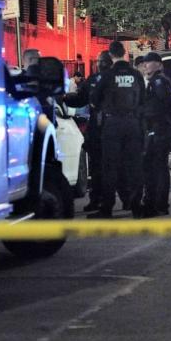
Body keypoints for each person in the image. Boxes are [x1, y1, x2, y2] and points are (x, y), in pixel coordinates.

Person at [90, 41, 145, 218]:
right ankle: (136, 206)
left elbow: (95, 99)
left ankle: (107, 208)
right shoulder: (136, 75)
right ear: (124, 53)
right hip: (133, 125)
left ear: (111, 55)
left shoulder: (107, 75)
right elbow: (143, 99)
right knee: (134, 166)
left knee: (110, 167)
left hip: (112, 125)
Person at [63, 50, 113, 212]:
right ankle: (118, 199)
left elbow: (79, 100)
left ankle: (102, 200)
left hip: (104, 128)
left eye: (100, 61)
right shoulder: (108, 79)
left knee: (101, 166)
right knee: (109, 165)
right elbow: (80, 99)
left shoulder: (96, 80)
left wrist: (64, 98)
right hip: (109, 128)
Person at [140, 52, 171, 216]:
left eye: (149, 62)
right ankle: (156, 202)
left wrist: (161, 122)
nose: (146, 65)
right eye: (145, 63)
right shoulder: (154, 82)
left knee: (157, 167)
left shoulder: (158, 82)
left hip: (159, 129)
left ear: (159, 65)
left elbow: (169, 105)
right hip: (157, 128)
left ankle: (158, 203)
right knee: (155, 167)